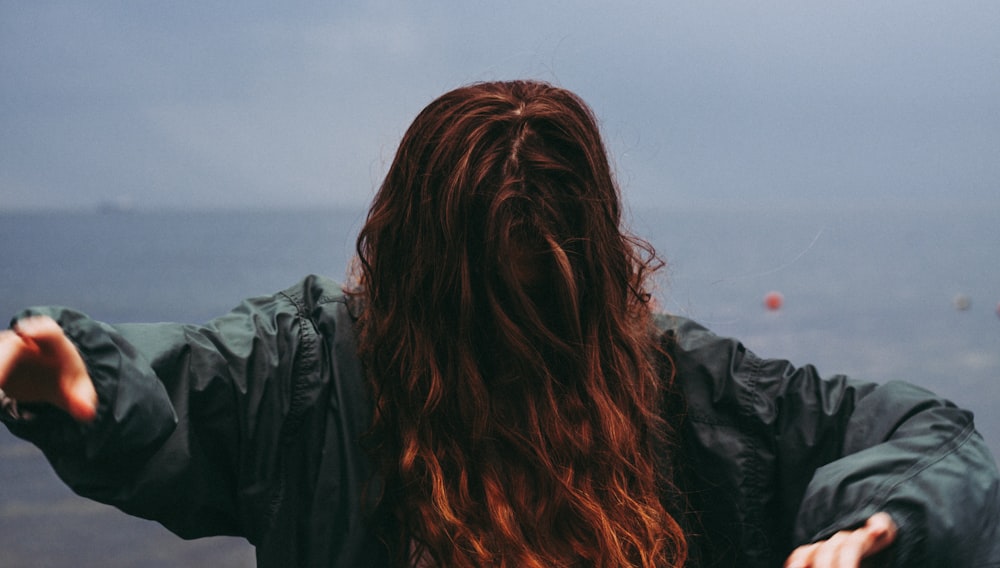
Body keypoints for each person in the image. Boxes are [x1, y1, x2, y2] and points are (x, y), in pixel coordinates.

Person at [1, 80, 997, 567]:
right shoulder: (305, 377)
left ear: (599, 281)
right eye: (478, 311)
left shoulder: (682, 385)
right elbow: (171, 386)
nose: (510, 352)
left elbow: (934, 439)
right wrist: (78, 386)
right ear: (408, 271)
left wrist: (879, 525)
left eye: (546, 313)